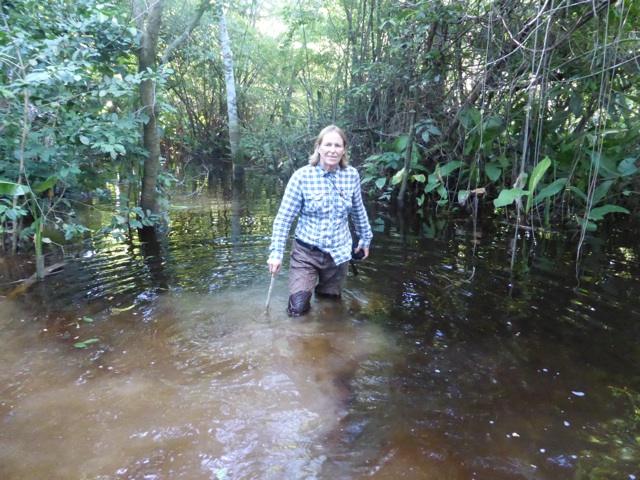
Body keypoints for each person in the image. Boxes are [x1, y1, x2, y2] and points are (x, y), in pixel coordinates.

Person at [267, 125, 373, 316]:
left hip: (339, 255)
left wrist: (365, 239)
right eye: (328, 144)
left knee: (330, 307)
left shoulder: (351, 176)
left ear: (344, 149)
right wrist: (276, 253)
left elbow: (358, 210)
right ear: (318, 147)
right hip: (306, 254)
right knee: (297, 310)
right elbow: (284, 218)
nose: (333, 150)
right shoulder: (301, 177)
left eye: (338, 145)